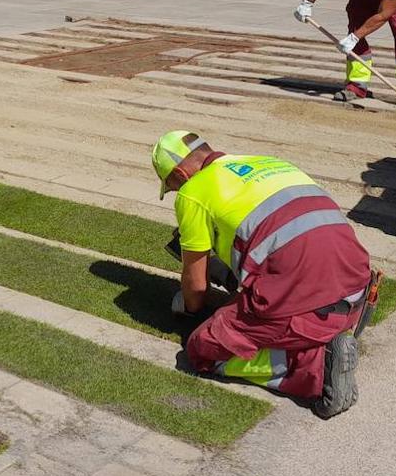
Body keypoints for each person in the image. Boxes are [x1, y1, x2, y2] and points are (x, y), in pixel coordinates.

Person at [151, 130, 377, 418]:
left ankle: (317, 366)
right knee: (266, 262)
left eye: (171, 186)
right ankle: (333, 330)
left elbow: (195, 289)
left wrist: (192, 302)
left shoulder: (192, 193)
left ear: (182, 175)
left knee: (202, 348)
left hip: (304, 300)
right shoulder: (269, 163)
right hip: (357, 287)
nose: (175, 194)